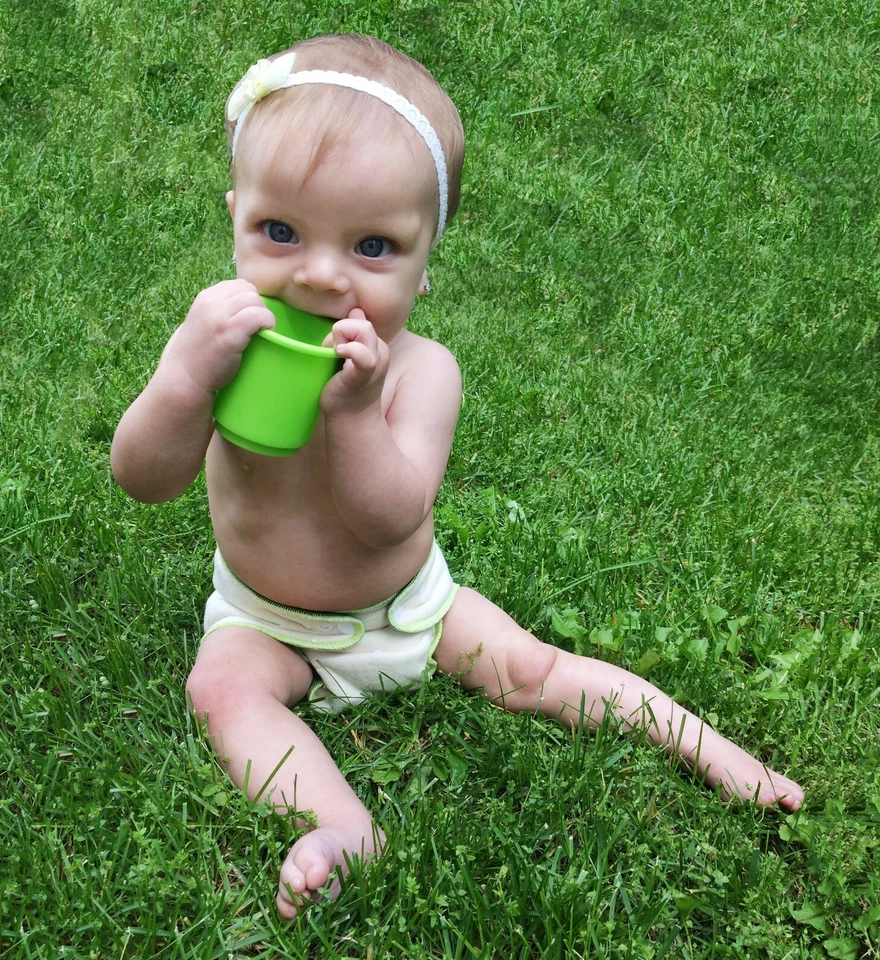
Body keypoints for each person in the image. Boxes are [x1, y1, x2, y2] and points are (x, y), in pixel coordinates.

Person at [110, 33, 804, 920]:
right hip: (266, 619)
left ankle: (718, 755)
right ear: (235, 213)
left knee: (533, 667)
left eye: (372, 246)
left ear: (426, 261)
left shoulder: (420, 371)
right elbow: (144, 478)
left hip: (408, 610)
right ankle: (341, 830)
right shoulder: (221, 346)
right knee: (221, 689)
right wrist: (183, 381)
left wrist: (356, 416)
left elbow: (392, 519)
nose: (321, 275)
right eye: (279, 231)